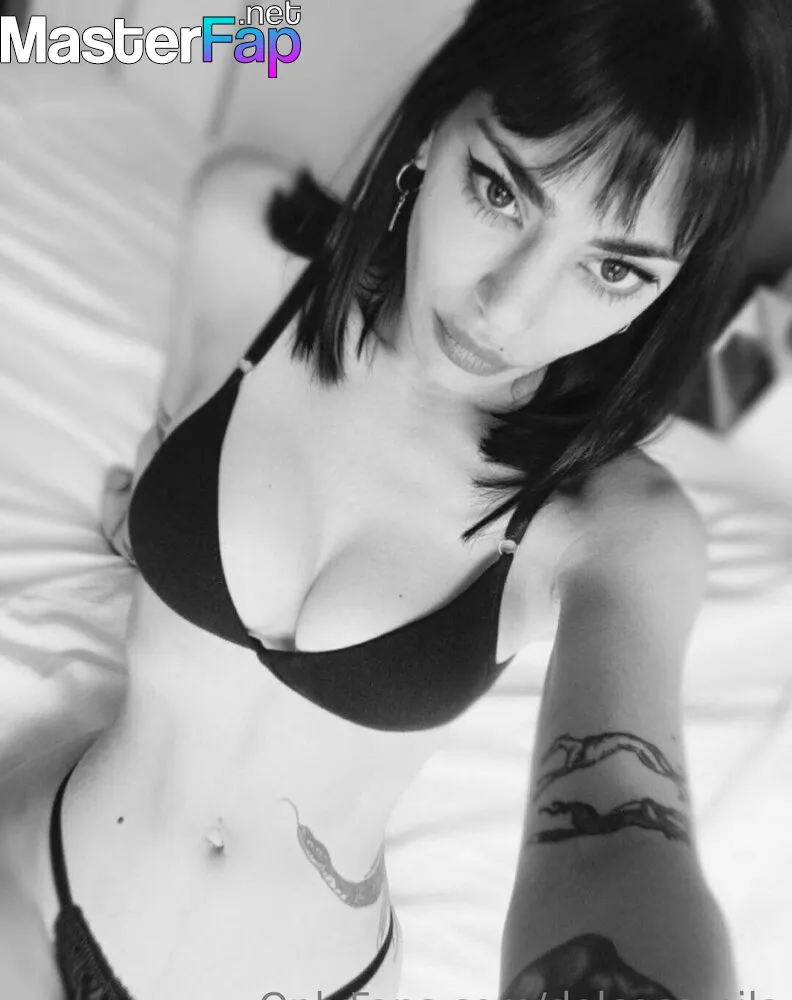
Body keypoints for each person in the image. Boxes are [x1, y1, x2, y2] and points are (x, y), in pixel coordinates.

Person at [22, 0, 792, 996]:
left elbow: (615, 843)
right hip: (39, 879)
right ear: (435, 122)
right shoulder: (250, 236)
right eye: (499, 190)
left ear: (667, 290)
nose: (508, 306)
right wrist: (153, 513)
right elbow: (182, 418)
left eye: (612, 268)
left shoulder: (614, 527)